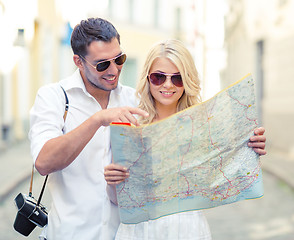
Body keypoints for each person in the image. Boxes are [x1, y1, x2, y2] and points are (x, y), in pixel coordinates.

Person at [104, 39, 267, 240]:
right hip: (140, 232)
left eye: (177, 78)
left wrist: (250, 148)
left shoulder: (203, 127)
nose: (167, 85)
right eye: (158, 77)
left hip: (187, 230)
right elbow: (118, 200)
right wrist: (112, 182)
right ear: (148, 78)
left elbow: (224, 179)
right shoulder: (130, 126)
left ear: (187, 80)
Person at [29, 17, 148, 240]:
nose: (114, 70)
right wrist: (97, 120)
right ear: (79, 61)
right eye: (103, 64)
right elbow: (44, 163)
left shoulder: (134, 99)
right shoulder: (54, 97)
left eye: (119, 59)